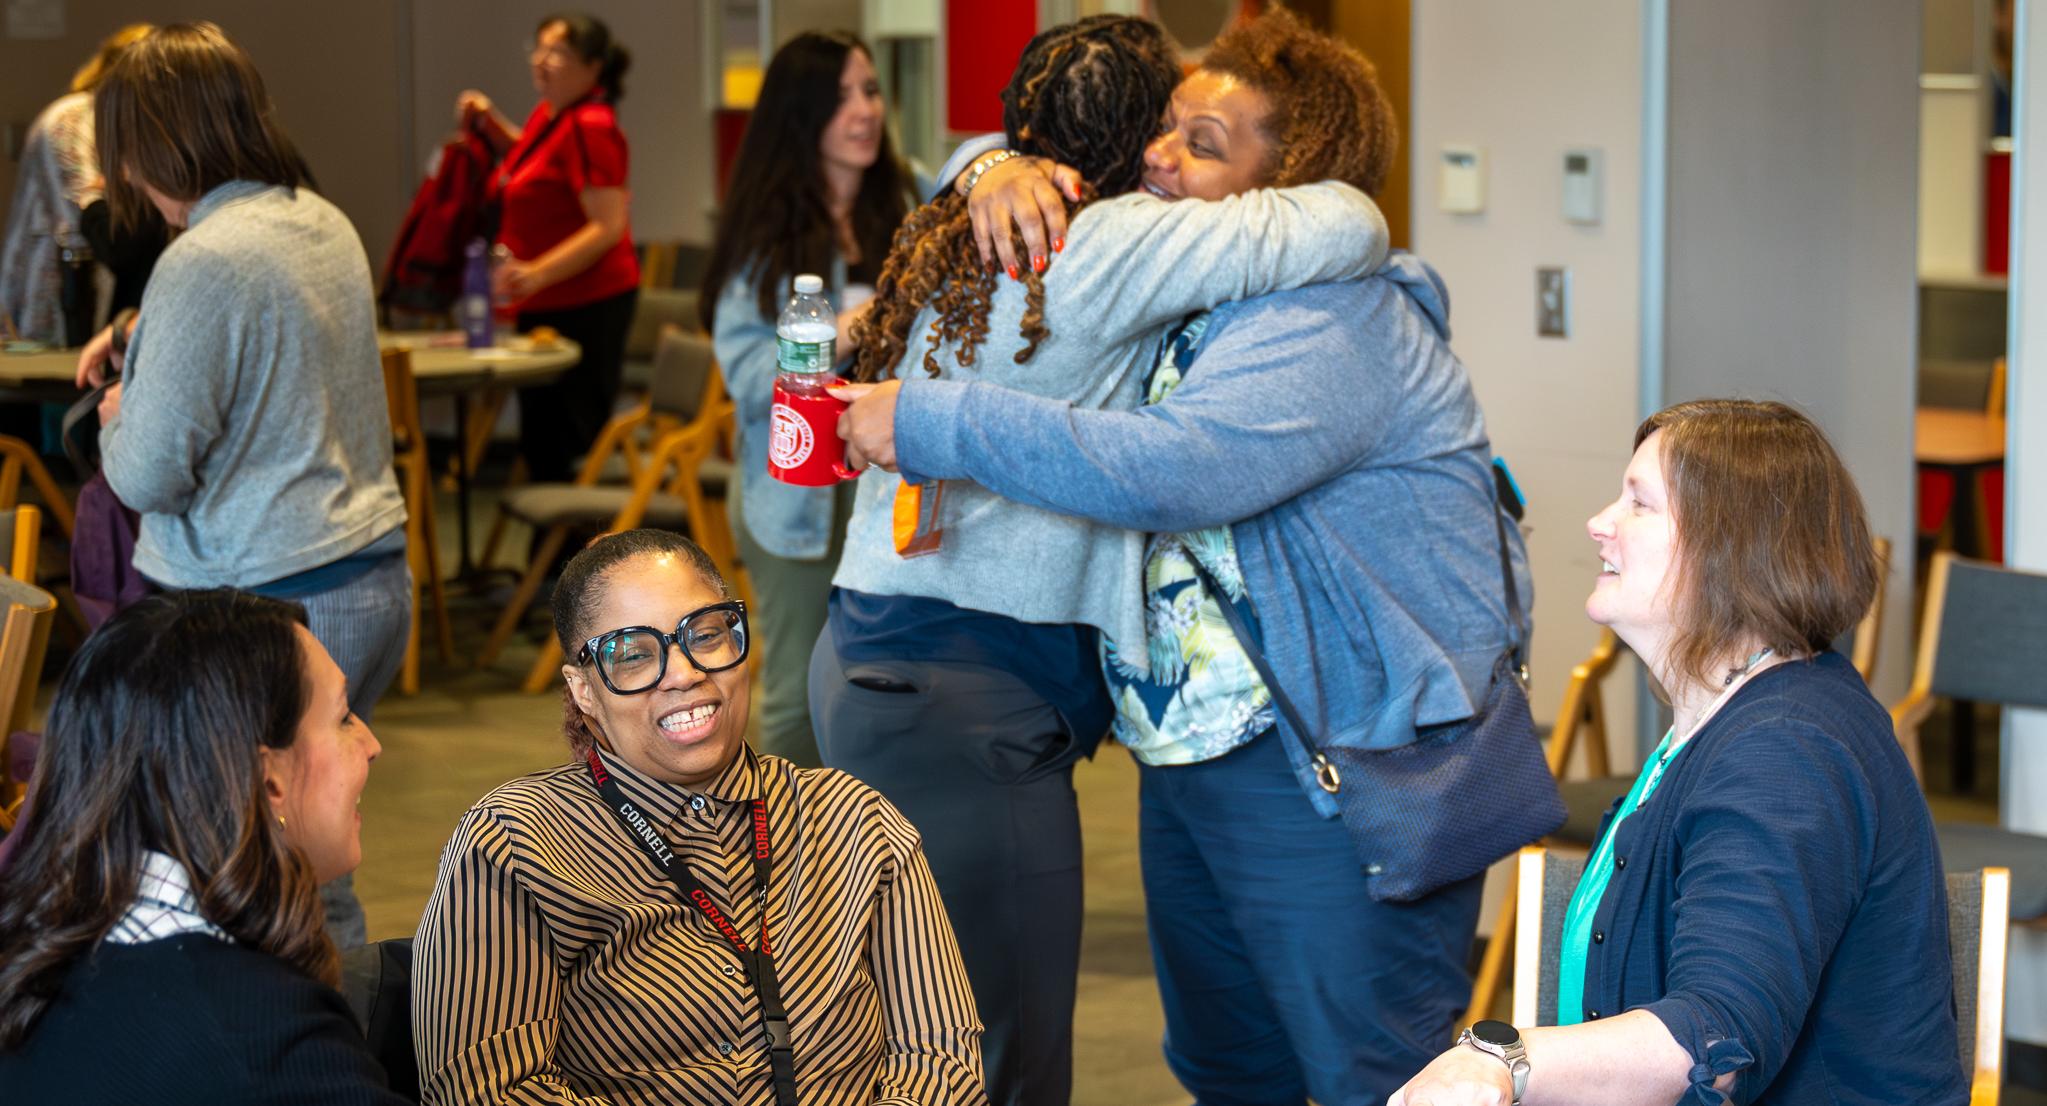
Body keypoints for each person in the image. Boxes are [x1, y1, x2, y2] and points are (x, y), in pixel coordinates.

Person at [831, 12, 1524, 1103]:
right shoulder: (1186, 292)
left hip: (1333, 761)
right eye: (1162, 127)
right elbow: (992, 189)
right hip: (1197, 749)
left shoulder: (1331, 319)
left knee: (1370, 1073)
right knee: (1225, 1065)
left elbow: (1177, 468)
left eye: (1200, 140)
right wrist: (996, 166)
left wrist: (932, 420)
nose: (1155, 153)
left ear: (1283, 181)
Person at [1385, 400, 1963, 1106]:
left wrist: (1501, 1059)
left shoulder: (1785, 751)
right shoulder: (1725, 712)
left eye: (1639, 503)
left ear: (1733, 548)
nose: (1600, 523)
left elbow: (1714, 1045)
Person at [411, 528, 987, 1106]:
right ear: (584, 690)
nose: (684, 672)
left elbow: (942, 1059)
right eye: (633, 654)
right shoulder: (516, 844)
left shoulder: (856, 822)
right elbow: (487, 1089)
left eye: (705, 635)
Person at [84, 22, 411, 947]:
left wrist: (119, 409)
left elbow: (149, 471)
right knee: (311, 863)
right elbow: (257, 316)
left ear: (143, 148)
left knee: (263, 882)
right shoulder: (316, 218)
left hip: (270, 602)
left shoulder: (203, 260)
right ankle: (333, 1061)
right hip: (366, 583)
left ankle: (300, 1069)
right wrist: (144, 332)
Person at [0, 590, 408, 1103]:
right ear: (268, 779)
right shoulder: (266, 1042)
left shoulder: (50, 936)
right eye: (344, 717)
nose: (372, 745)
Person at [698, 30, 926, 768]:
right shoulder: (765, 237)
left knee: (892, 678)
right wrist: (849, 328)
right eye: (839, 99)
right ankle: (781, 857)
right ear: (800, 116)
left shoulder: (911, 199)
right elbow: (747, 376)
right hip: (796, 494)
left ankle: (866, 850)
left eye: (869, 91)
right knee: (799, 692)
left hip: (895, 483)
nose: (863, 112)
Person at [456, 12, 639, 483]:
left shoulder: (590, 126)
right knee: (541, 440)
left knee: (565, 444)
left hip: (586, 304)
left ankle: (576, 553)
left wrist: (536, 272)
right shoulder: (554, 115)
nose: (542, 61)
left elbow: (608, 226)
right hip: (550, 301)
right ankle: (552, 554)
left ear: (593, 66)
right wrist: (495, 127)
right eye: (538, 49)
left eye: (557, 52)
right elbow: (542, 166)